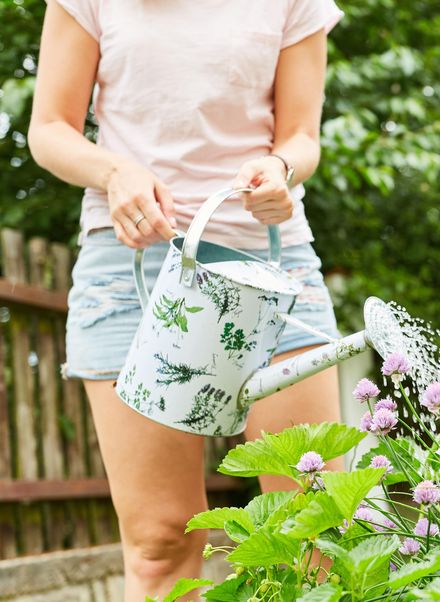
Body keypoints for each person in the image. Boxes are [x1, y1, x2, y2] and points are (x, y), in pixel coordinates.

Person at [28, 1, 344, 599]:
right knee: (159, 540)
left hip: (270, 268)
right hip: (133, 268)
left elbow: (301, 136)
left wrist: (281, 169)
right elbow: (49, 129)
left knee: (316, 529)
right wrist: (115, 171)